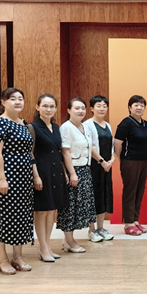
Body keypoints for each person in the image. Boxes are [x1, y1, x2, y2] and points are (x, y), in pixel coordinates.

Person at [0, 88, 34, 274]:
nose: (17, 102)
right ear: (3, 102)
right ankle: (2, 258)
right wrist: (1, 179)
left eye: (20, 98)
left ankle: (18, 256)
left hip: (24, 177)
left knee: (21, 216)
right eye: (12, 99)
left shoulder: (23, 123)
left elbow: (29, 152)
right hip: (8, 175)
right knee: (4, 216)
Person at [31, 94, 69, 262]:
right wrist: (36, 176)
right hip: (42, 172)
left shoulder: (56, 127)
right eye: (45, 106)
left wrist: (65, 172)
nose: (48, 109)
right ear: (37, 107)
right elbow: (30, 153)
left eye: (52, 106)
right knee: (42, 211)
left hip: (56, 172)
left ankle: (46, 245)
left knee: (52, 210)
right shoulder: (33, 127)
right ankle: (43, 247)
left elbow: (59, 152)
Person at [58, 98, 96, 252]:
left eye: (82, 108)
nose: (80, 111)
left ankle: (67, 240)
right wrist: (72, 173)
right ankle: (70, 241)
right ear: (69, 110)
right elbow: (65, 151)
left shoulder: (85, 126)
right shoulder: (66, 127)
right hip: (73, 170)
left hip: (85, 169)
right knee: (70, 207)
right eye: (77, 108)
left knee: (80, 206)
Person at [114, 95, 147, 236]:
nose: (139, 107)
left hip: (143, 161)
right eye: (136, 105)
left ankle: (135, 220)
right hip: (130, 161)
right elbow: (117, 144)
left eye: (142, 105)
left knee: (139, 190)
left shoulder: (145, 123)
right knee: (130, 191)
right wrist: (123, 159)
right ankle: (128, 223)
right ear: (130, 107)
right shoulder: (126, 123)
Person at [83, 95, 115, 243]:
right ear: (91, 108)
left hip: (106, 166)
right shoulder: (87, 125)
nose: (102, 109)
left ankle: (101, 228)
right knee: (93, 196)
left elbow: (111, 145)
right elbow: (90, 146)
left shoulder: (108, 125)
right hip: (94, 166)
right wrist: (102, 161)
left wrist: (111, 160)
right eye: (98, 106)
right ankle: (92, 230)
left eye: (104, 106)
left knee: (103, 195)